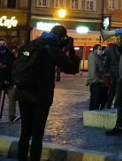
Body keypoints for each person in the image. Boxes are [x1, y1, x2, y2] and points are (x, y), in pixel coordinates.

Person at [14, 24, 80, 161]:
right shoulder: (52, 48)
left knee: (25, 133)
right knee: (37, 134)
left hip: (23, 93)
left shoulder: (32, 44)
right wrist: (71, 49)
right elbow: (72, 68)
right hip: (40, 96)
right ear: (61, 37)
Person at [0, 38, 18, 122]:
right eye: (0, 44)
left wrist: (8, 67)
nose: (2, 45)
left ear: (6, 44)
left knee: (12, 95)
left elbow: (14, 66)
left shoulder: (11, 55)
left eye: (3, 44)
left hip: (8, 80)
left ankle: (12, 115)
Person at [104, 32, 122, 108]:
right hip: (119, 72)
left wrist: (107, 72)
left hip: (113, 72)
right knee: (119, 90)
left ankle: (109, 105)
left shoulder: (110, 49)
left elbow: (107, 62)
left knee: (112, 90)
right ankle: (116, 105)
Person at [86, 44, 107, 110]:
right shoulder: (93, 56)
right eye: (99, 49)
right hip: (95, 82)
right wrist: (94, 80)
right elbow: (92, 70)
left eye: (101, 49)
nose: (101, 51)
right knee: (94, 101)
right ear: (95, 49)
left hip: (99, 82)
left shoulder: (98, 57)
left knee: (97, 100)